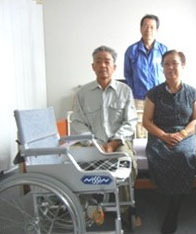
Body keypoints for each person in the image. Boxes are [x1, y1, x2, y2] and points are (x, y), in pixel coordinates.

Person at [71, 45, 139, 227]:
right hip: (91, 143)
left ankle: (126, 210)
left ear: (114, 67)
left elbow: (131, 121)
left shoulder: (125, 91)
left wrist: (113, 143)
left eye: (107, 61)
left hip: (118, 142)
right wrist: (93, 143)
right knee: (71, 159)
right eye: (98, 62)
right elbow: (77, 122)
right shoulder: (82, 93)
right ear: (93, 66)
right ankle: (89, 205)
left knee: (127, 161)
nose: (103, 66)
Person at [143, 50, 196, 234]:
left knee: (183, 155)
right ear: (162, 68)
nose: (170, 67)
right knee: (160, 155)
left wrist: (182, 134)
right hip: (159, 134)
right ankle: (169, 196)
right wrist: (163, 136)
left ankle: (173, 207)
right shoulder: (154, 93)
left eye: (174, 63)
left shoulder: (192, 92)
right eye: (166, 64)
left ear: (182, 66)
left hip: (184, 133)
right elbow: (146, 121)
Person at [124, 14, 168, 138]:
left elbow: (168, 73)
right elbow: (128, 75)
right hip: (139, 99)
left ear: (156, 30)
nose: (148, 30)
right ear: (140, 28)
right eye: (145, 26)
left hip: (160, 99)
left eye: (151, 27)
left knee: (159, 130)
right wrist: (133, 93)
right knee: (140, 132)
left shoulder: (163, 50)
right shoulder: (131, 50)